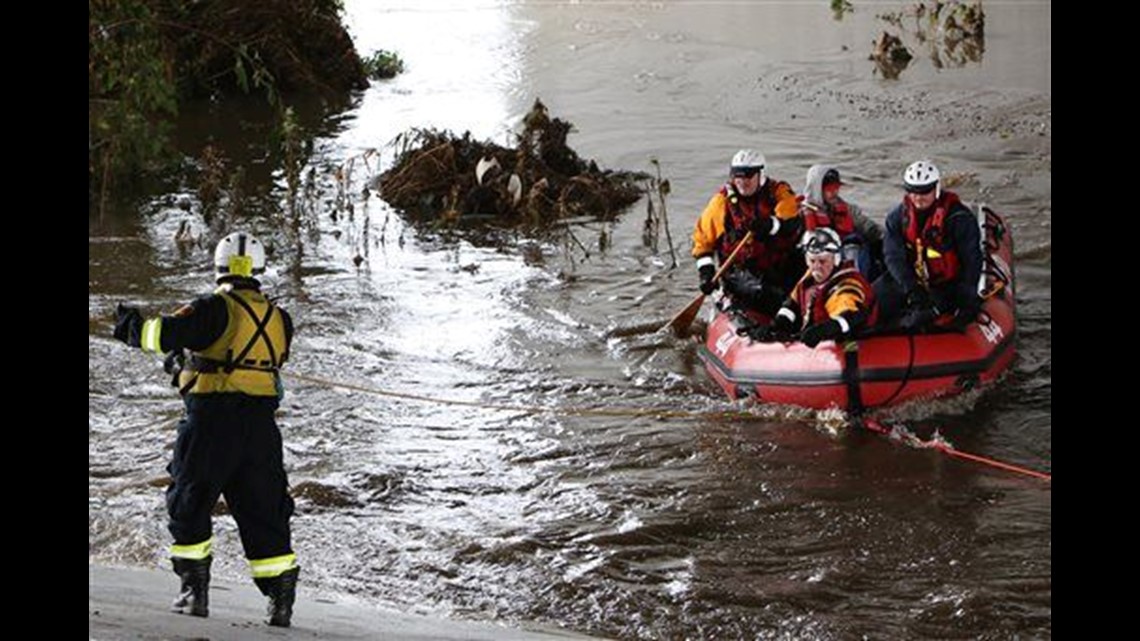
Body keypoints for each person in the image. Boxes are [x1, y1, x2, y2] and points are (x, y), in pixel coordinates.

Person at [113, 232, 300, 628]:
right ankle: (280, 598)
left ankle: (194, 591)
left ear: (219, 269)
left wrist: (128, 323)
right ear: (260, 270)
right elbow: (248, 360)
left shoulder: (214, 308)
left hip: (212, 422)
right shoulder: (280, 319)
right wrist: (190, 367)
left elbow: (160, 335)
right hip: (262, 429)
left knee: (190, 500)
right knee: (264, 509)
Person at [873, 160, 982, 331]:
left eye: (925, 191)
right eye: (912, 191)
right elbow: (893, 257)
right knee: (871, 303)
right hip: (911, 282)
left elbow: (971, 260)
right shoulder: (897, 218)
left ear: (936, 189)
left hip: (945, 284)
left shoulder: (959, 219)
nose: (918, 197)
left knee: (923, 320)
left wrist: (967, 298)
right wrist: (912, 290)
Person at [692, 148, 803, 315]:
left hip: (778, 263)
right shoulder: (721, 203)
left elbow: (791, 223)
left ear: (761, 174)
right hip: (740, 271)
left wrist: (770, 225)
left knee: (806, 279)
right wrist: (706, 273)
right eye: (738, 176)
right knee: (768, 295)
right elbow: (703, 242)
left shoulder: (779, 193)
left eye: (749, 176)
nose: (743, 181)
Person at [745, 227, 877, 347]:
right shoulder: (810, 277)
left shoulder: (846, 285)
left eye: (823, 261)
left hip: (848, 345)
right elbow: (793, 304)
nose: (817, 266)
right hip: (813, 336)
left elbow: (852, 315)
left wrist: (823, 330)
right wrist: (779, 324)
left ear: (836, 259)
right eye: (812, 261)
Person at [801, 164, 884, 280]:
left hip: (848, 256)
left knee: (857, 244)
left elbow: (867, 226)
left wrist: (885, 236)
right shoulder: (801, 213)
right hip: (819, 261)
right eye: (829, 189)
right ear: (817, 188)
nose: (834, 192)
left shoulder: (847, 209)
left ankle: (864, 283)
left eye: (836, 188)